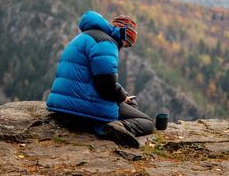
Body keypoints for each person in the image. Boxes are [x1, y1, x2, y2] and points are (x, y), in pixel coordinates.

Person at [46, 11, 154, 148]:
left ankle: (106, 124)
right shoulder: (106, 44)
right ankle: (109, 128)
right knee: (147, 123)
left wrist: (122, 95)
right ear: (124, 36)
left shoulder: (86, 36)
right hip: (80, 107)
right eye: (127, 44)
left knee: (131, 105)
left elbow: (93, 77)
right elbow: (106, 86)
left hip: (63, 105)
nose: (124, 48)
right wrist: (120, 97)